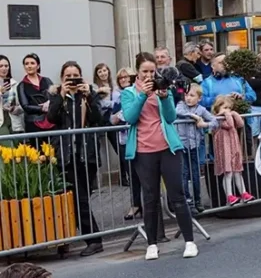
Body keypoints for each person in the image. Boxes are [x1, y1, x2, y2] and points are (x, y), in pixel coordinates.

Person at [121, 52, 198, 261]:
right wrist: (143, 95)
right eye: (144, 71)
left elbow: (171, 117)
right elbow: (129, 117)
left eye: (151, 71)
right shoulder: (129, 92)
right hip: (143, 151)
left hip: (167, 147)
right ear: (137, 72)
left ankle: (190, 241)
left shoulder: (163, 87)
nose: (148, 76)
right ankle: (152, 244)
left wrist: (164, 98)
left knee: (177, 195)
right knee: (150, 197)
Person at [47, 62, 107, 257]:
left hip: (86, 155)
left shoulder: (88, 95)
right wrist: (61, 95)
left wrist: (90, 95)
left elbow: (98, 118)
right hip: (67, 155)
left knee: (81, 198)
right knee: (76, 199)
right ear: (62, 78)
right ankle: (92, 239)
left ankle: (91, 239)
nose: (72, 79)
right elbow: (52, 118)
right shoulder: (58, 96)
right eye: (68, 76)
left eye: (75, 76)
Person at [175, 84, 218, 214]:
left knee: (195, 174)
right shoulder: (181, 105)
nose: (188, 98)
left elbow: (214, 121)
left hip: (195, 145)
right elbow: (178, 112)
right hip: (182, 145)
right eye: (187, 95)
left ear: (199, 98)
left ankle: (197, 200)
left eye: (192, 96)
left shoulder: (202, 109)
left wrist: (204, 124)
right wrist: (193, 116)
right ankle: (187, 199)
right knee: (184, 173)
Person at [211, 96, 252, 205]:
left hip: (233, 147)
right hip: (224, 149)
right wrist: (228, 115)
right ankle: (229, 195)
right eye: (225, 107)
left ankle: (243, 193)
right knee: (228, 172)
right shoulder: (217, 119)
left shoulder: (228, 115)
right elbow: (229, 124)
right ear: (217, 108)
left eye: (229, 108)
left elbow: (240, 124)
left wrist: (234, 113)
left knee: (237, 171)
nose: (227, 110)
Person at [111, 67, 139, 206]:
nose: (123, 80)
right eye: (120, 78)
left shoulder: (137, 93)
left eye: (126, 77)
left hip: (140, 138)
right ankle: (136, 204)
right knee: (131, 173)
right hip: (124, 139)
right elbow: (113, 119)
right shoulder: (117, 97)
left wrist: (123, 114)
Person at [17, 54, 53, 135]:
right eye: (26, 64)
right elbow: (25, 106)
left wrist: (49, 102)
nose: (29, 66)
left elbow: (55, 96)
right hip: (34, 124)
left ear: (38, 66)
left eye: (32, 63)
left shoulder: (47, 81)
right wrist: (42, 109)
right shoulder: (21, 85)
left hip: (51, 121)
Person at [0, 56, 24, 136]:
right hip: (1, 122)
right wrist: (0, 92)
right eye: (1, 66)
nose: (4, 68)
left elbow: (22, 104)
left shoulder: (15, 84)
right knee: (8, 146)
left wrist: (16, 108)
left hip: (14, 121)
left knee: (18, 147)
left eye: (6, 66)